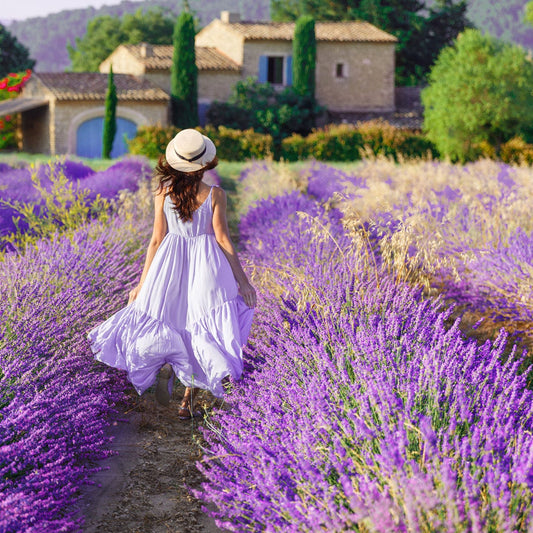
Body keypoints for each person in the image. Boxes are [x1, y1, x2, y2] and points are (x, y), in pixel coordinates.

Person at [87, 129, 256, 418]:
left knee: (169, 317)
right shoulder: (215, 194)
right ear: (205, 163)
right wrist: (243, 281)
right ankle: (188, 398)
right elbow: (223, 239)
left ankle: (167, 364)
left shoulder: (163, 193)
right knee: (200, 322)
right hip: (206, 264)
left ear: (174, 162)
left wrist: (142, 284)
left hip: (169, 261)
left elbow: (155, 239)